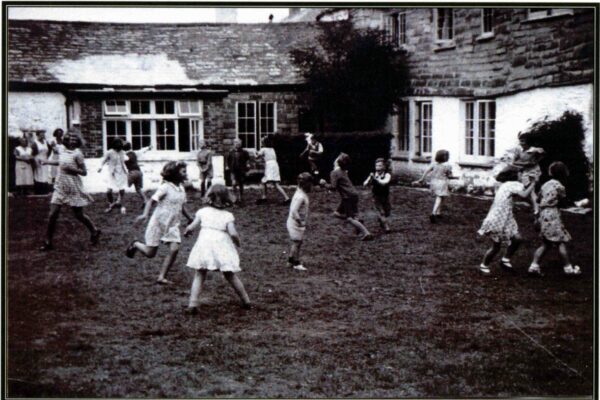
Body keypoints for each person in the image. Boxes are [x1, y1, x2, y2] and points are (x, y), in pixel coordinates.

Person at [184, 184, 251, 313]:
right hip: (221, 244)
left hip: (205, 243)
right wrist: (238, 243)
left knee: (200, 272)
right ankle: (246, 300)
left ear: (209, 197)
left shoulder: (202, 212)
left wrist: (187, 232)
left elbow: (191, 226)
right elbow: (233, 233)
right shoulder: (228, 216)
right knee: (229, 273)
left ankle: (193, 304)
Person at [126, 161, 193, 285]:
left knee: (175, 248)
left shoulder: (181, 189)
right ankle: (135, 244)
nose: (186, 173)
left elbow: (182, 207)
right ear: (174, 174)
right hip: (158, 223)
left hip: (172, 225)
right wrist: (145, 214)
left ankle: (161, 277)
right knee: (150, 253)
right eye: (183, 171)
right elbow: (151, 201)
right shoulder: (165, 187)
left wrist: (190, 219)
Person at [40, 131, 101, 251]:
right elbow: (61, 163)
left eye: (74, 138)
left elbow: (84, 172)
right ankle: (48, 241)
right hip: (60, 186)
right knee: (53, 214)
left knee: (79, 215)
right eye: (69, 138)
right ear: (66, 140)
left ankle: (94, 231)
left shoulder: (78, 154)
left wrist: (73, 169)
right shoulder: (62, 150)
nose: (71, 140)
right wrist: (47, 162)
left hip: (73, 185)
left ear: (77, 141)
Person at [477, 166, 535, 275]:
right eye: (520, 174)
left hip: (505, 216)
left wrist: (517, 204)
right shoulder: (513, 184)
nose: (522, 176)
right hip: (498, 218)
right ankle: (484, 265)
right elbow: (524, 195)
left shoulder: (505, 185)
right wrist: (533, 184)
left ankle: (505, 260)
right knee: (496, 246)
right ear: (514, 175)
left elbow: (506, 200)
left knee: (517, 239)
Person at [528, 162, 582, 276]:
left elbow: (538, 200)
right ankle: (568, 269)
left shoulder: (545, 185)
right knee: (561, 242)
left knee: (546, 243)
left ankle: (533, 266)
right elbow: (563, 202)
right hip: (553, 215)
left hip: (543, 214)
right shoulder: (560, 187)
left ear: (550, 172)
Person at [320, 153, 373, 241]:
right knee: (337, 213)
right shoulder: (342, 171)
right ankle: (358, 222)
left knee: (349, 218)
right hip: (353, 195)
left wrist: (324, 184)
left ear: (337, 162)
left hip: (347, 197)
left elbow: (333, 187)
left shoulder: (334, 173)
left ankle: (366, 233)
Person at [412, 149, 456, 223]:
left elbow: (426, 171)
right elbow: (449, 176)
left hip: (434, 182)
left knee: (441, 197)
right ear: (445, 157)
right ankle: (433, 213)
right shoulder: (448, 165)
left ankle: (439, 213)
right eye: (448, 156)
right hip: (442, 183)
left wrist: (421, 179)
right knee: (440, 197)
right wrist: (456, 177)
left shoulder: (434, 164)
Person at [512, 133, 545, 215]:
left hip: (534, 172)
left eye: (523, 141)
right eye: (520, 141)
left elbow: (543, 154)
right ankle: (536, 207)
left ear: (528, 142)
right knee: (529, 190)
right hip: (525, 172)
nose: (521, 143)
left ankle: (537, 209)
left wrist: (536, 161)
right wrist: (525, 164)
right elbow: (514, 162)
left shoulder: (534, 150)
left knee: (532, 190)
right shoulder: (519, 150)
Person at [287, 172, 313, 271]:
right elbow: (294, 211)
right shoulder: (301, 196)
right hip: (295, 223)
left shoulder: (299, 192)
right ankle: (296, 262)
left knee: (297, 242)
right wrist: (300, 222)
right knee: (297, 242)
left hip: (294, 222)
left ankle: (290, 260)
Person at [256, 135, 290, 205]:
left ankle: (286, 198)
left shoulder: (263, 149)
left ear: (264, 143)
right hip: (275, 165)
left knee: (266, 182)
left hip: (270, 166)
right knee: (271, 183)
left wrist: (256, 153)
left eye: (262, 141)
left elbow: (257, 156)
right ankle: (265, 197)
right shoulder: (272, 149)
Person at [98, 137, 128, 214]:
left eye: (120, 145)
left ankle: (122, 206)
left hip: (121, 173)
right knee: (108, 191)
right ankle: (111, 205)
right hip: (112, 173)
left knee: (121, 190)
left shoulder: (122, 152)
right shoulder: (109, 152)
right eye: (118, 145)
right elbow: (103, 160)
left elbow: (125, 160)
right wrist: (100, 167)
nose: (119, 147)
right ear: (114, 145)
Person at [363, 158, 392, 233]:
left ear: (384, 167)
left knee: (387, 212)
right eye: (376, 166)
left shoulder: (387, 175)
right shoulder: (372, 175)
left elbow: (384, 182)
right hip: (376, 196)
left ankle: (381, 220)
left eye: (380, 166)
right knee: (381, 212)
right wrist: (369, 180)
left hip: (385, 196)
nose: (378, 168)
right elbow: (365, 184)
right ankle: (386, 227)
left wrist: (376, 179)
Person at [123, 141, 151, 207]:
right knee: (138, 188)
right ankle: (145, 200)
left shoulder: (124, 156)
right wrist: (148, 148)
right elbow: (142, 151)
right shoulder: (135, 153)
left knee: (122, 186)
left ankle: (118, 202)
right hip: (139, 172)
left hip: (132, 172)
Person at [226, 138, 250, 206]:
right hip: (233, 170)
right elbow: (228, 160)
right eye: (235, 143)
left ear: (241, 144)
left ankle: (241, 197)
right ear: (233, 144)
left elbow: (247, 159)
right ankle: (234, 197)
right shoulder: (231, 152)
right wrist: (227, 166)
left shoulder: (244, 152)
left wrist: (248, 165)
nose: (237, 144)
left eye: (238, 143)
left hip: (241, 170)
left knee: (241, 183)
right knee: (233, 183)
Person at [31, 129, 50, 194]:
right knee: (39, 174)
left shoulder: (46, 142)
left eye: (43, 134)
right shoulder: (35, 143)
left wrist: (47, 157)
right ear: (38, 135)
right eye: (41, 134)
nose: (43, 135)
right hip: (38, 159)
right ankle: (38, 190)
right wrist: (35, 159)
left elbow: (49, 150)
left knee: (45, 174)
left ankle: (45, 189)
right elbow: (32, 153)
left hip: (45, 159)